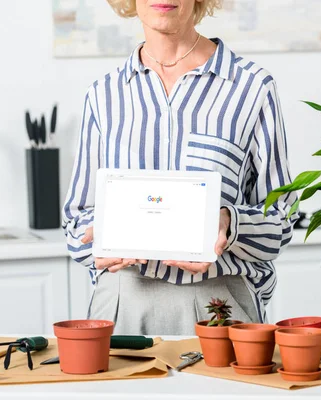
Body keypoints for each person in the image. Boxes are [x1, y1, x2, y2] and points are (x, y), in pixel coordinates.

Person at [62, 0, 298, 335]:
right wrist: (98, 238)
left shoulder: (252, 88)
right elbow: (75, 221)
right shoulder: (104, 95)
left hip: (218, 302)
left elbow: (282, 219)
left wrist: (228, 223)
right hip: (121, 300)